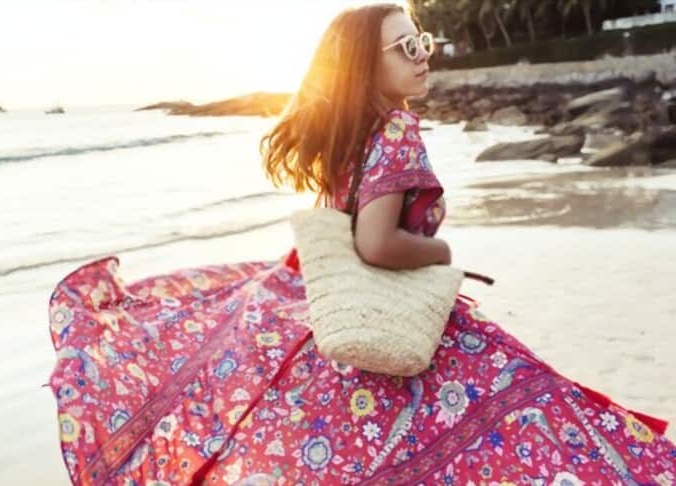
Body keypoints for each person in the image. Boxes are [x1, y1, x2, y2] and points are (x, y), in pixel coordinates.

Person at [47, 4, 675, 485]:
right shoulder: (397, 129)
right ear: (365, 65)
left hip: (333, 317)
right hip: (393, 317)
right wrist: (442, 255)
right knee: (537, 419)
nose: (422, 56)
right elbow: (376, 244)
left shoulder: (350, 133)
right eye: (405, 48)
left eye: (421, 41)